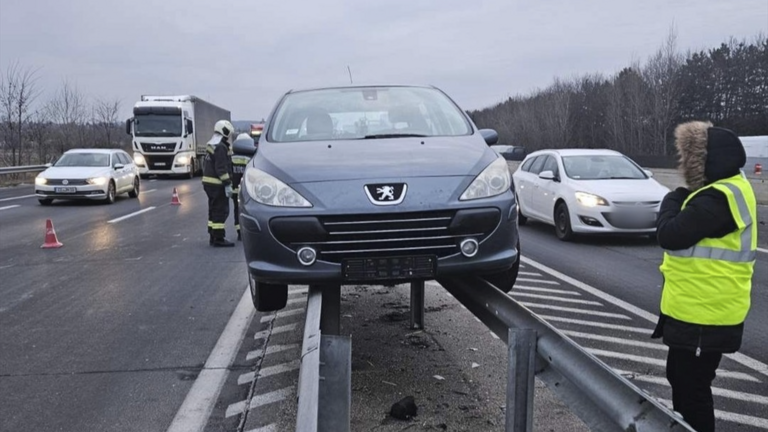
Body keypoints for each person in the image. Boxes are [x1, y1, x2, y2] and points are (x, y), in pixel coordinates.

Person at [652, 121, 756, 432]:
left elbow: (669, 234)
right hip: (701, 311)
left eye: (689, 158)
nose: (684, 164)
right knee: (684, 384)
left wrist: (674, 197)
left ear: (705, 161)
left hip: (705, 316)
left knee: (692, 392)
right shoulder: (731, 188)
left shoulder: (717, 199)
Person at [202, 119, 236, 247]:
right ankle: (219, 238)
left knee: (213, 209)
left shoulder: (212, 145)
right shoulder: (221, 147)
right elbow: (221, 168)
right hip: (217, 185)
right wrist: (227, 183)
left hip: (209, 184)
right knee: (220, 211)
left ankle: (212, 234)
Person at [230, 133, 252, 241]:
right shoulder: (251, 158)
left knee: (237, 210)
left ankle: (239, 232)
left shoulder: (231, 158)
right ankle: (247, 231)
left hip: (234, 190)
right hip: (247, 191)